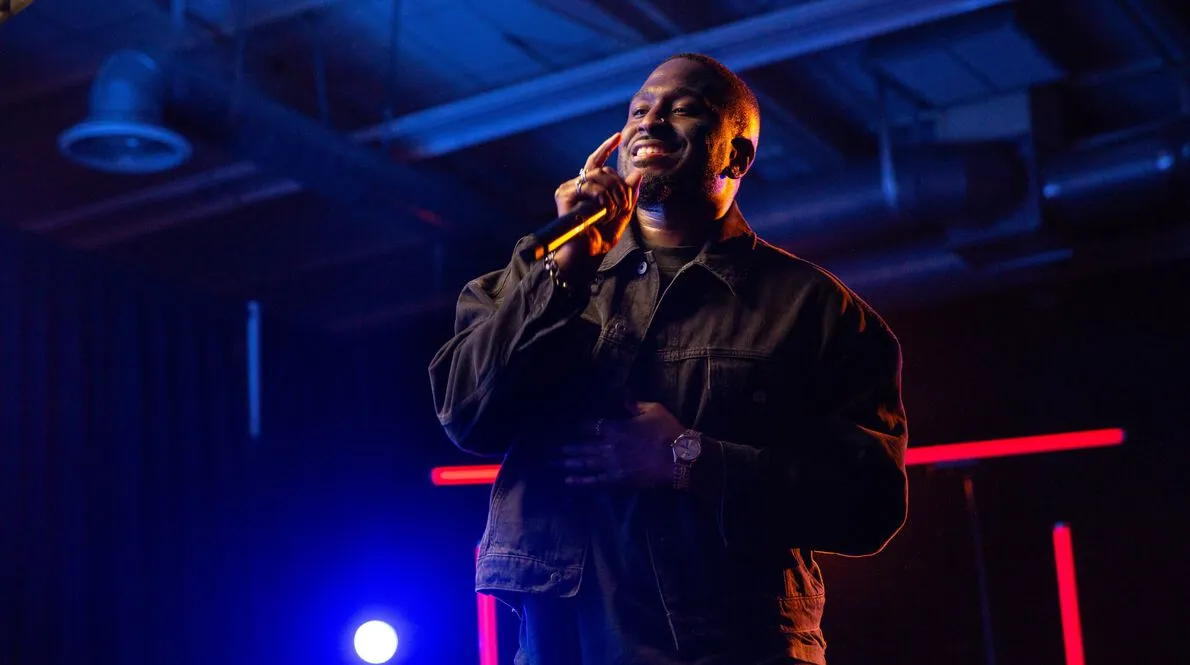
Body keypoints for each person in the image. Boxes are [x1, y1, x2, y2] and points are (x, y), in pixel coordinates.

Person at [428, 53, 908, 665]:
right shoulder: (534, 274)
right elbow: (466, 417)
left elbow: (870, 505)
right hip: (564, 646)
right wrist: (564, 272)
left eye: (682, 110)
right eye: (638, 111)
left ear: (736, 156)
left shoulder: (815, 310)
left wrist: (690, 458)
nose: (650, 123)